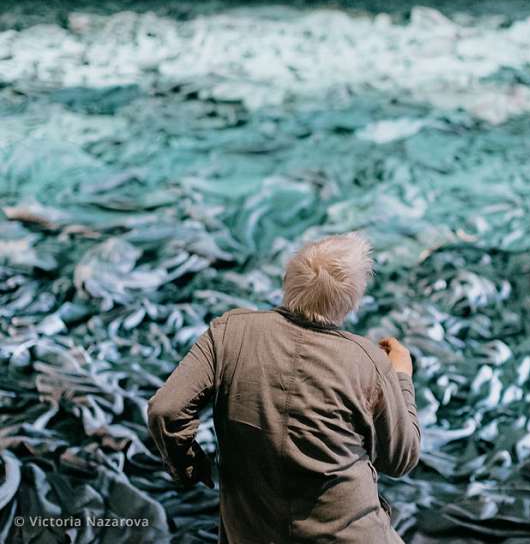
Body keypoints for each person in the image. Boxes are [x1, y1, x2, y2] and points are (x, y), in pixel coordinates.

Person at [147, 231, 421, 543]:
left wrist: (189, 466)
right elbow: (401, 459)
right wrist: (401, 377)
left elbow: (164, 409)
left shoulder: (228, 333)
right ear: (352, 302)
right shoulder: (367, 360)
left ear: (288, 281)